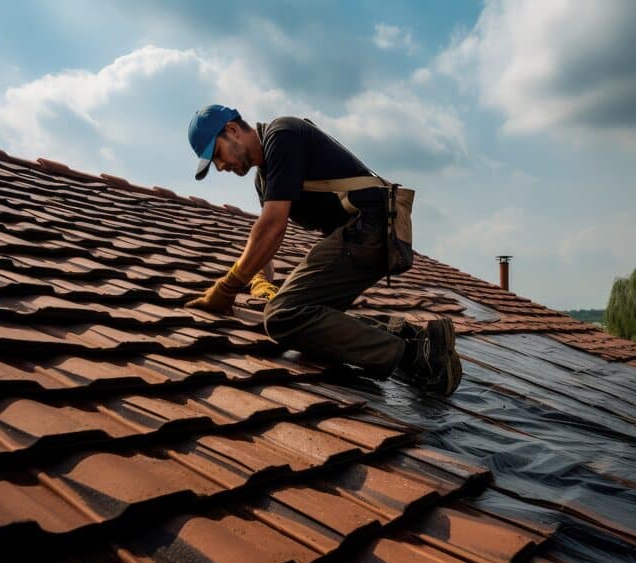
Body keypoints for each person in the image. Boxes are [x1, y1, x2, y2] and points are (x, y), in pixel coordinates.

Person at [183, 104, 462, 395]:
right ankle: (417, 339)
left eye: (217, 155)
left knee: (283, 316)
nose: (220, 167)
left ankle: (418, 358)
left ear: (232, 130)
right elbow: (265, 237)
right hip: (361, 234)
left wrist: (227, 288)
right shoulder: (264, 178)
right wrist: (261, 281)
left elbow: (272, 227)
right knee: (314, 319)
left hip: (370, 229)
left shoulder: (283, 134)